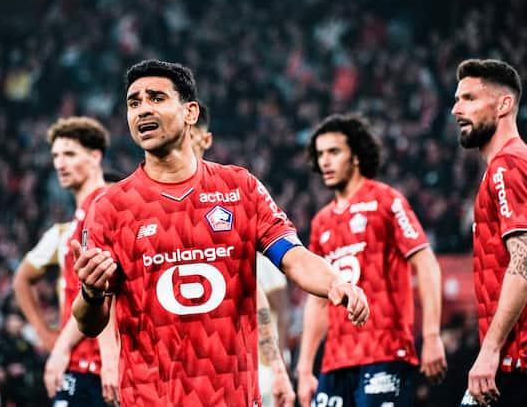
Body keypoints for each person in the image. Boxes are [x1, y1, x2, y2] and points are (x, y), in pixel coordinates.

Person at [70, 59, 370, 407]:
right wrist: (91, 293)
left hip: (232, 398)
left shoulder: (239, 187)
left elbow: (293, 257)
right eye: (134, 103)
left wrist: (334, 283)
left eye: (156, 98)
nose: (143, 109)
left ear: (190, 112)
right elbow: (89, 324)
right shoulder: (110, 207)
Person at [296, 113, 447, 407]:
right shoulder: (321, 221)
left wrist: (431, 335)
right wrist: (304, 368)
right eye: (320, 154)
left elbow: (425, 261)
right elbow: (317, 301)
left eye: (334, 152)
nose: (325, 161)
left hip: (385, 352)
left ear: (355, 156)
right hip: (335, 361)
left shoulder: (386, 201)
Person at [191, 102, 294, 407]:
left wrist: (278, 361)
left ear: (206, 140)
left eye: (191, 137)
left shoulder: (237, 206)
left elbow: (275, 301)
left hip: (254, 367)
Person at [13, 117, 119, 406]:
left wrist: (63, 347)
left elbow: (108, 288)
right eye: (56, 156)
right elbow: (22, 279)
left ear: (95, 156)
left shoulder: (104, 204)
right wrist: (48, 337)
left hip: (97, 367)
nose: (60, 164)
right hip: (81, 362)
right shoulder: (76, 220)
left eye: (70, 154)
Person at [452, 59, 527, 407]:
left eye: (469, 98)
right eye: (457, 99)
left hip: (517, 362)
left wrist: (490, 350)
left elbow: (524, 261)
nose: (456, 110)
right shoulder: (507, 165)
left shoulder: (508, 166)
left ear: (503, 105)